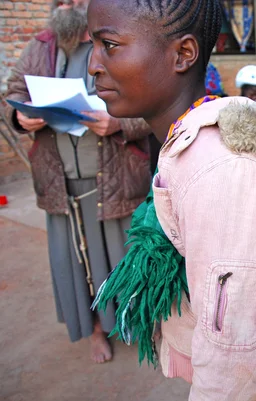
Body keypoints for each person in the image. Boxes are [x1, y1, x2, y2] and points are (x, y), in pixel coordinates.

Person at [87, 0, 256, 399]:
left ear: (183, 54)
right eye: (93, 45)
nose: (93, 65)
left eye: (110, 45)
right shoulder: (188, 142)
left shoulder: (225, 172)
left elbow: (236, 354)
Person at [3, 0, 152, 363]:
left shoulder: (121, 39)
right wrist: (22, 119)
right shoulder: (40, 46)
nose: (69, 5)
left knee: (123, 260)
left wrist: (118, 123)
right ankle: (96, 330)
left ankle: (135, 326)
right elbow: (13, 95)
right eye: (62, 1)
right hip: (61, 181)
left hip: (114, 178)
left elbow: (154, 106)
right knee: (76, 263)